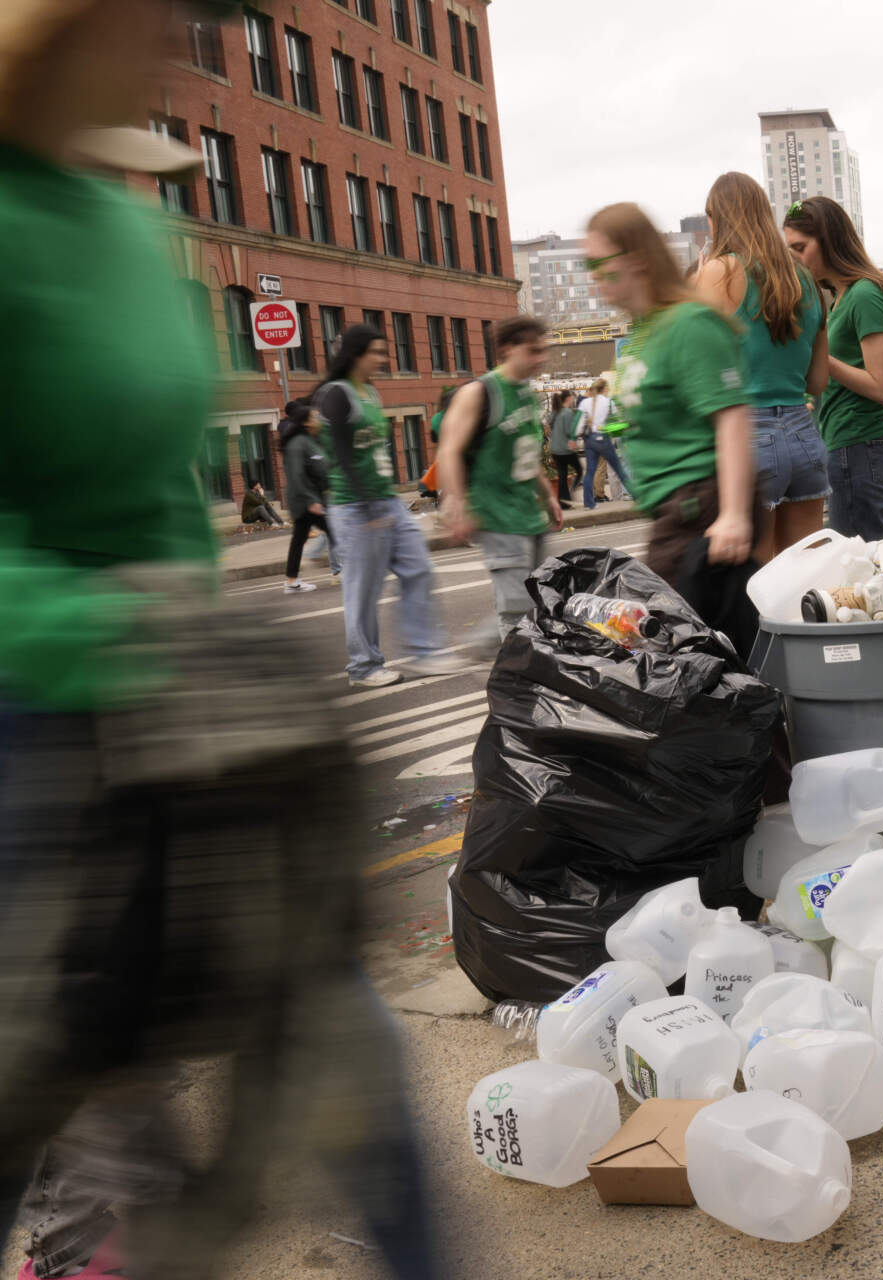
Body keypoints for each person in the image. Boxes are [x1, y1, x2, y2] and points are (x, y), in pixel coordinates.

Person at [0, 4, 440, 1276]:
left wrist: (194, 633)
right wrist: (100, 626)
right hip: (36, 725)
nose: (179, 44)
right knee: (53, 1074)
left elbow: (153, 492)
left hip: (183, 715)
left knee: (338, 1042)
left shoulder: (136, 232)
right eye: (136, 18)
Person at [587, 202, 756, 651]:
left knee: (678, 649)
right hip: (675, 508)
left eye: (597, 264)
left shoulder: (689, 323)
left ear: (636, 259)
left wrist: (734, 515)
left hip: (700, 506)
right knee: (687, 651)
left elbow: (733, 417)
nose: (592, 276)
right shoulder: (645, 330)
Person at [314, 325, 464, 688]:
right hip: (356, 507)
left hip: (388, 502)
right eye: (376, 353)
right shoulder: (335, 394)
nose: (383, 359)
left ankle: (426, 651)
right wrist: (367, 505)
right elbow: (343, 457)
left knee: (419, 569)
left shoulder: (372, 393)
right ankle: (364, 667)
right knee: (362, 590)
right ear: (355, 354)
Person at [692, 171, 829, 566]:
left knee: (756, 587)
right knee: (805, 576)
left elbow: (696, 369)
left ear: (720, 219)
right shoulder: (805, 279)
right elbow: (817, 381)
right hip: (804, 436)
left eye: (710, 217)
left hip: (747, 439)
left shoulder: (718, 272)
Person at [783, 197, 883, 541]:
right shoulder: (841, 298)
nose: (795, 258)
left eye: (801, 247)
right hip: (854, 445)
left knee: (860, 574)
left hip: (862, 444)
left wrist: (820, 358)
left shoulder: (865, 296)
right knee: (877, 567)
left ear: (831, 240)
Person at [436, 315, 563, 641]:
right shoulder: (480, 393)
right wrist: (458, 504)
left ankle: (485, 649)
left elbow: (526, 450)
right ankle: (516, 680)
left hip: (528, 514)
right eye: (533, 351)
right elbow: (448, 451)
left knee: (540, 599)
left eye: (543, 351)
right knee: (517, 609)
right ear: (507, 349)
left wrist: (547, 494)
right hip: (496, 515)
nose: (541, 358)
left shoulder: (526, 393)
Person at [280, 401, 339, 591]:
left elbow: (323, 467)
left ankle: (292, 581)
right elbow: (296, 475)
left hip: (312, 499)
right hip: (306, 501)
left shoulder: (311, 441)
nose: (318, 419)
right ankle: (357, 569)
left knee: (299, 539)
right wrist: (311, 500)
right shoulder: (297, 444)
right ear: (306, 422)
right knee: (337, 532)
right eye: (314, 416)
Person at [577, 377, 636, 510]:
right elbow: (615, 423)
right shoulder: (608, 402)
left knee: (590, 471)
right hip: (603, 438)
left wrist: (573, 439)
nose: (608, 391)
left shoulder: (584, 403)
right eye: (607, 388)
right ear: (603, 389)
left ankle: (589, 502)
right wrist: (626, 425)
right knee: (619, 469)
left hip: (590, 440)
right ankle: (636, 496)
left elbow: (578, 424)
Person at [548, 390, 583, 506]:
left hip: (555, 449)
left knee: (562, 475)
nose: (573, 400)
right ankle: (571, 491)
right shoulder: (568, 412)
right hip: (566, 449)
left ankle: (563, 502)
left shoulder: (555, 412)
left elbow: (550, 425)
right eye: (572, 398)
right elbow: (569, 431)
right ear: (568, 398)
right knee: (579, 470)